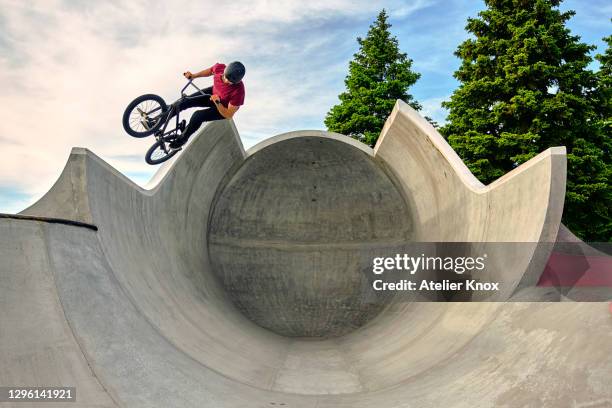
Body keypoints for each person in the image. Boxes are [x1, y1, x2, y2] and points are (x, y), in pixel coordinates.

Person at [167, 61, 246, 148]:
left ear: (237, 82)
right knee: (185, 101)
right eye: (225, 77)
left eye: (230, 82)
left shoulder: (239, 92)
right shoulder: (220, 68)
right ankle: (160, 120)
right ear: (224, 71)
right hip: (213, 93)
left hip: (222, 109)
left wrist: (217, 102)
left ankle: (182, 140)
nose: (226, 81)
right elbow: (209, 71)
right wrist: (193, 76)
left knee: (198, 116)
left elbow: (229, 114)